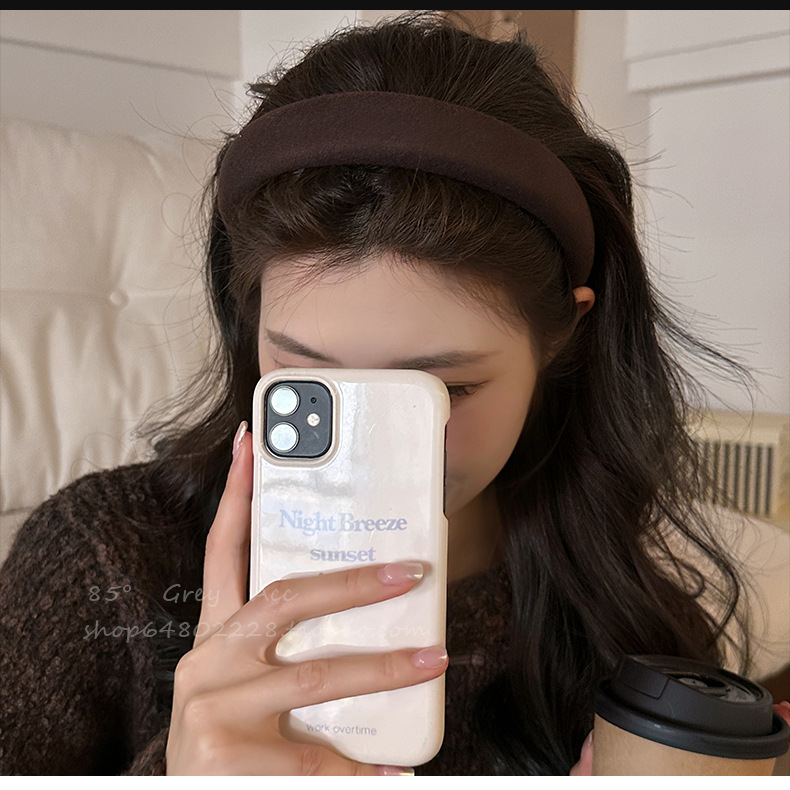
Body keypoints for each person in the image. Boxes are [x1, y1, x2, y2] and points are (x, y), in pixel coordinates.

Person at [0, 11, 788, 776]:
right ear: (251, 322)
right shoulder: (101, 558)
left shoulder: (636, 636)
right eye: (309, 375)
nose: (368, 457)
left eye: (440, 390)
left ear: (562, 339)